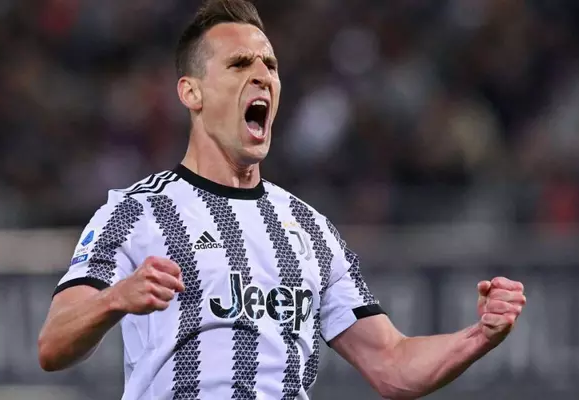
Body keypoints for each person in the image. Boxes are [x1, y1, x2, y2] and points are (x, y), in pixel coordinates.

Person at [37, 1, 527, 399]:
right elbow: (53, 344)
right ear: (191, 93)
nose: (262, 75)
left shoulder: (310, 228)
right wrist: (115, 299)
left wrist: (479, 336)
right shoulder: (136, 212)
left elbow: (392, 365)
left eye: (269, 65)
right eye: (239, 64)